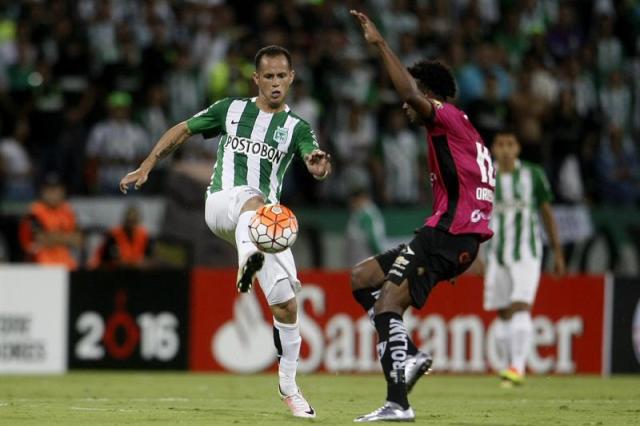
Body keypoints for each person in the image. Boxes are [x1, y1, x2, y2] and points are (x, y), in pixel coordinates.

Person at [119, 45, 331, 419]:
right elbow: (182, 130)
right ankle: (246, 259)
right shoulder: (229, 110)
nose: (276, 82)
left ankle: (289, 387)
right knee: (252, 199)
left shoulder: (297, 127)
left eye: (282, 75)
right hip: (222, 205)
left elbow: (315, 160)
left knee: (286, 304)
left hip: (265, 224)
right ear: (257, 78)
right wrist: (148, 164)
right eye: (269, 76)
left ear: (292, 77)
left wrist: (318, 166)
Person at [348, 11, 494, 422]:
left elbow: (411, 94)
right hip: (454, 236)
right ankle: (406, 354)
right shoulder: (468, 133)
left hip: (447, 233)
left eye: (414, 98)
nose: (404, 105)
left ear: (430, 95)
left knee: (387, 305)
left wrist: (380, 44)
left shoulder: (446, 118)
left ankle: (398, 402)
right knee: (361, 279)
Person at [482, 132, 566, 387]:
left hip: (527, 252)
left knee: (520, 305)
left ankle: (518, 366)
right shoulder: (485, 177)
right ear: (493, 148)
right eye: (501, 144)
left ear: (517, 148)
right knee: (503, 312)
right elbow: (475, 217)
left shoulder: (533, 174)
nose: (506, 150)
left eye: (510, 144)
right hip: (496, 254)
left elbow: (547, 214)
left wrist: (558, 252)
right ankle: (511, 366)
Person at [18, 174, 82, 269]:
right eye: (49, 189)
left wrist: (53, 236)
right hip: (39, 265)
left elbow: (78, 239)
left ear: (63, 191)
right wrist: (66, 237)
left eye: (56, 189)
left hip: (66, 264)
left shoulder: (67, 210)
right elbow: (42, 239)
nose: (53, 193)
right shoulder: (34, 211)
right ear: (42, 191)